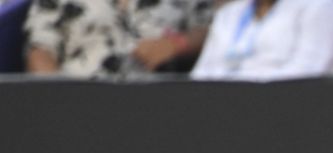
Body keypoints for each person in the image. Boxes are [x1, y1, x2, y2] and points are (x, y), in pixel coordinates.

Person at [23, 0, 211, 77]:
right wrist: (60, 99)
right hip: (82, 97)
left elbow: (215, 31)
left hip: (158, 104)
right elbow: (39, 51)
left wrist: (177, 44)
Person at [191, 0, 333, 80]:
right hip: (221, 112)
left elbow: (306, 76)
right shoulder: (228, 14)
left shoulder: (319, 6)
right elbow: (201, 74)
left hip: (293, 116)